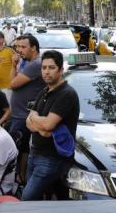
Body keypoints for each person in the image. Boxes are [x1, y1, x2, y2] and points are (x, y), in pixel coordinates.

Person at [22, 51, 80, 202]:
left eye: (51, 67)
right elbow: (28, 122)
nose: (46, 71)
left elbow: (48, 125)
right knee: (36, 201)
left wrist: (38, 121)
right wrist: (42, 128)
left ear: (61, 70)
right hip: (35, 153)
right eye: (44, 67)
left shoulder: (67, 94)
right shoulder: (44, 91)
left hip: (51, 158)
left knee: (26, 199)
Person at [9, 34, 43, 183]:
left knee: (18, 148)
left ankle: (20, 178)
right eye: (17, 47)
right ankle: (21, 177)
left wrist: (13, 65)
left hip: (23, 116)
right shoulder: (29, 63)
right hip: (20, 114)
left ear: (34, 48)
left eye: (23, 47)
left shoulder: (35, 65)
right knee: (22, 148)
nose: (19, 50)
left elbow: (12, 84)